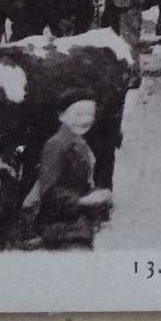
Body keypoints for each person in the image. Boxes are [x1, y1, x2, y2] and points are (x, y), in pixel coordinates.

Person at [32, 97, 113, 249]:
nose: (85, 120)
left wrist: (99, 194)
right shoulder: (56, 145)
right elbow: (48, 192)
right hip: (62, 227)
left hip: (78, 224)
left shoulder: (79, 142)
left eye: (90, 114)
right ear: (61, 116)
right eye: (78, 114)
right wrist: (83, 201)